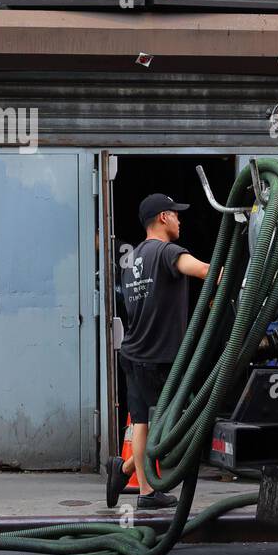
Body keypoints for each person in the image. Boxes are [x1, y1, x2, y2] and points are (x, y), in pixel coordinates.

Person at [105, 194, 210, 509]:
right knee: (178, 426)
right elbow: (202, 269)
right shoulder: (168, 252)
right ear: (163, 217)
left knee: (142, 423)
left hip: (133, 354)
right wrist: (240, 281)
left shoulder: (133, 260)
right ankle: (131, 475)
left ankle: (141, 487)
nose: (180, 220)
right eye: (176, 215)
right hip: (160, 359)